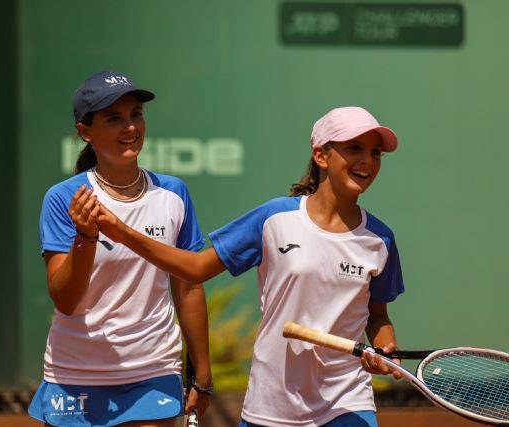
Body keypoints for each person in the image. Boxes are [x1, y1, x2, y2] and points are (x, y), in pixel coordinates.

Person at [95, 106, 405, 427]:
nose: (367, 160)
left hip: (347, 402)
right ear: (321, 156)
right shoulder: (274, 219)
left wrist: (384, 347)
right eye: (354, 148)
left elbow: (377, 314)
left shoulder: (380, 239)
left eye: (376, 152)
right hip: (271, 406)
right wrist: (123, 232)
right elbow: (196, 268)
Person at [28, 70, 211, 427]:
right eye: (114, 118)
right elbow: (66, 300)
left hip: (152, 369)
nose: (130, 127)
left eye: (136, 115)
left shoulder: (174, 194)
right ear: (86, 132)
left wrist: (202, 375)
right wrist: (86, 238)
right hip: (75, 372)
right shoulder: (64, 199)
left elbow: (188, 286)